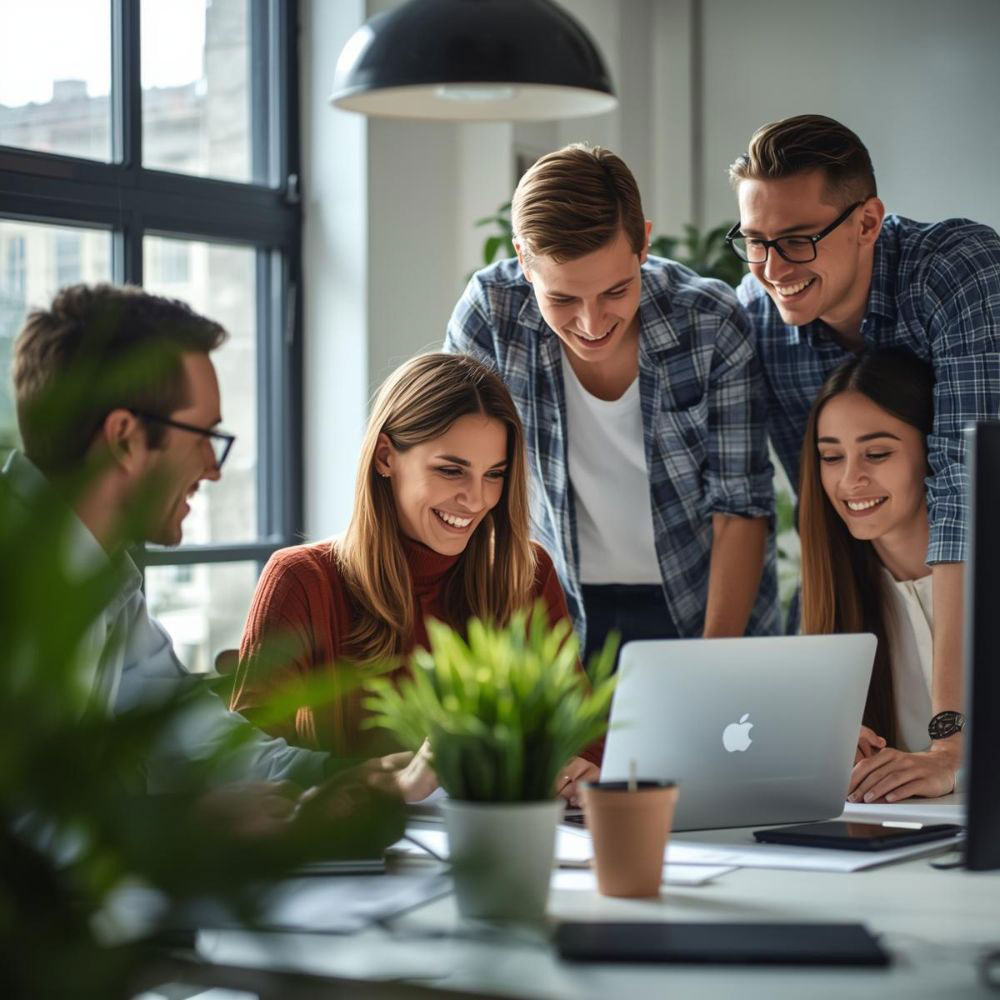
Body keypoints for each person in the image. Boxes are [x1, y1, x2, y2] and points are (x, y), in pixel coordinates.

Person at [3, 282, 417, 806]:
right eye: (203, 435)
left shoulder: (102, 575)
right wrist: (199, 829)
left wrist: (353, 775)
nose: (214, 469)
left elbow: (191, 741)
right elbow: (35, 830)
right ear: (125, 437)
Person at [727, 114, 1000, 784]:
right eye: (754, 243)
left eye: (795, 242)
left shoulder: (954, 274)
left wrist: (954, 739)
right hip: (876, 605)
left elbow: (970, 495)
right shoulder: (759, 319)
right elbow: (831, 523)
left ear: (868, 221)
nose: (771, 270)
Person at [445, 143, 779, 664]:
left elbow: (739, 507)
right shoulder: (490, 315)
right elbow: (461, 483)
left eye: (616, 291)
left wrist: (714, 668)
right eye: (563, 299)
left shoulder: (709, 320)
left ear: (643, 242)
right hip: (550, 605)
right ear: (523, 261)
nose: (592, 323)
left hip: (701, 602)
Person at [230, 352, 601, 802]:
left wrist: (581, 769)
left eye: (495, 475)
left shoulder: (527, 572)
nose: (475, 498)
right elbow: (244, 766)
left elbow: (585, 737)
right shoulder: (302, 580)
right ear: (386, 457)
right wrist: (400, 780)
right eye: (451, 470)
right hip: (359, 855)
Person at [799, 350, 957, 802]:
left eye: (877, 453)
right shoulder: (838, 596)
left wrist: (952, 769)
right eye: (831, 457)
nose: (850, 480)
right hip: (905, 839)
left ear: (934, 454)